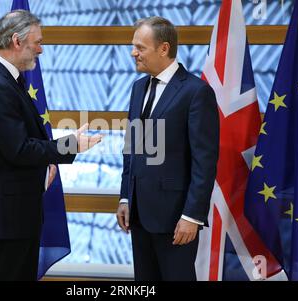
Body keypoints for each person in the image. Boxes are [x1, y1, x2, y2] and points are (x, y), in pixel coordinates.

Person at [0, 10, 101, 281]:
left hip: (14, 217)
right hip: (5, 221)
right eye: (37, 42)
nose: (41, 49)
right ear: (17, 41)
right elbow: (19, 149)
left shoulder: (5, 78)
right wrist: (71, 144)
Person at [116, 17, 219, 281]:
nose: (133, 53)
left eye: (140, 47)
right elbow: (132, 147)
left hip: (176, 219)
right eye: (133, 46)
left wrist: (192, 216)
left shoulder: (197, 92)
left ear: (164, 48)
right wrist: (126, 197)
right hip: (139, 215)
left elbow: (204, 161)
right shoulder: (138, 87)